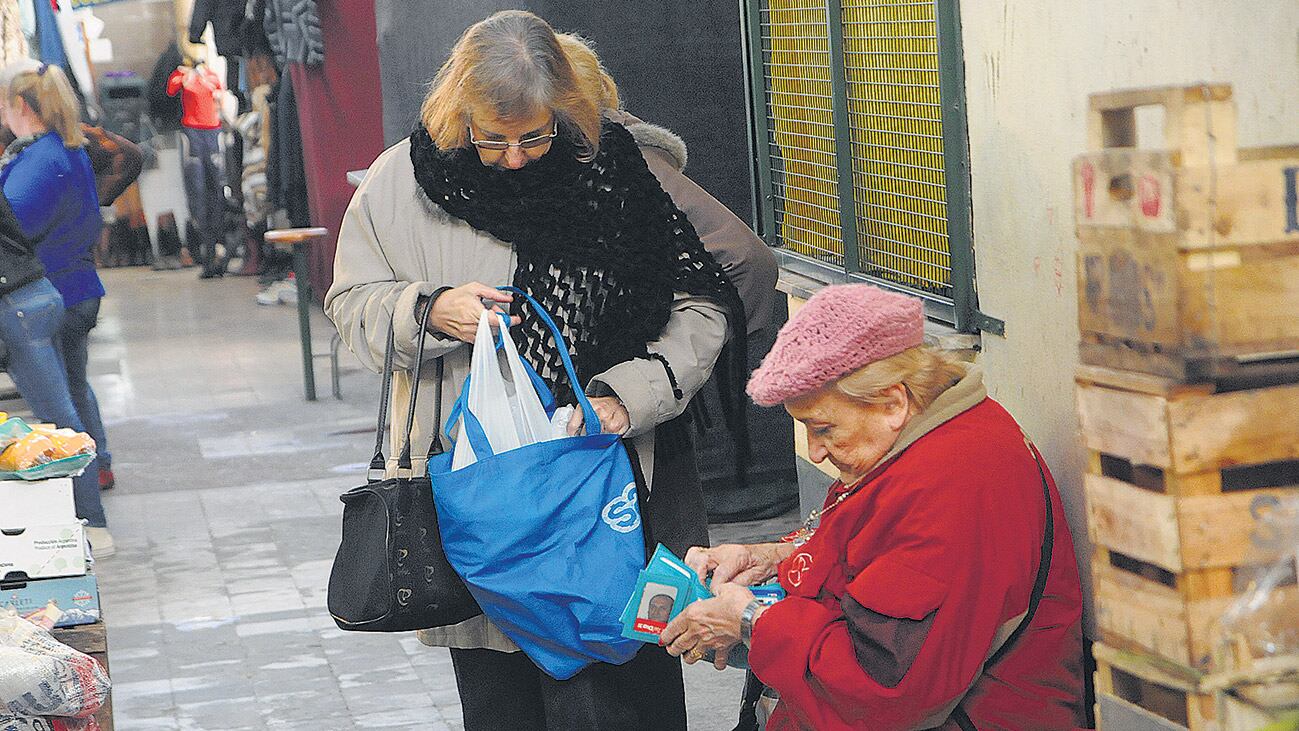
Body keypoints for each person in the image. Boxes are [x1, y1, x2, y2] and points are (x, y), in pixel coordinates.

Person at [326, 11, 761, 729]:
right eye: (491, 138)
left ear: (569, 108)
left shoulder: (612, 169)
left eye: (535, 135)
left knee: (623, 691)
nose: (515, 157)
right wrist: (432, 310)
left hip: (610, 495)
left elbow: (703, 305)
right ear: (455, 109)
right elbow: (350, 304)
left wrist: (629, 394)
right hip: (479, 505)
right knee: (503, 703)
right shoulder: (397, 182)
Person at [660, 284, 1086, 730]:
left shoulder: (952, 487)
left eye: (822, 428)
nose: (815, 452)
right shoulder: (923, 438)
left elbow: (886, 688)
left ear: (892, 403)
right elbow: (872, 547)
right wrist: (772, 557)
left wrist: (749, 621)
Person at [0, 63, 114, 557]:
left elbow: (13, 228)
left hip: (50, 291)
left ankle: (91, 518)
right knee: (73, 394)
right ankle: (99, 469)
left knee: (61, 415)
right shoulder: (66, 149)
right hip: (74, 287)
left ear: (21, 107)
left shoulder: (39, 160)